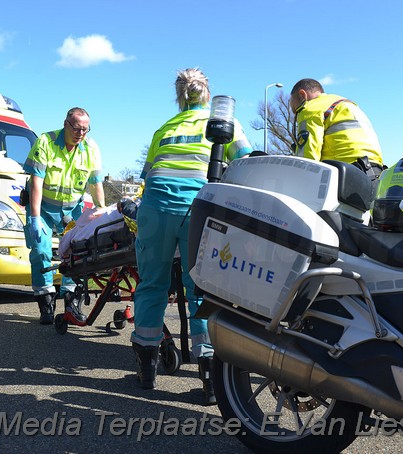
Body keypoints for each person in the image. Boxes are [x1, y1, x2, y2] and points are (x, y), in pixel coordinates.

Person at [131, 68, 252, 404]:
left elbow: (148, 175)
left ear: (179, 95)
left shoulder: (164, 129)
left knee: (151, 284)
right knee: (201, 287)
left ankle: (146, 373)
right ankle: (211, 382)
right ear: (207, 94)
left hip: (155, 209)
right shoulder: (224, 122)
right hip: (198, 210)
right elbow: (247, 163)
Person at [23, 107, 105, 325]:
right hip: (45, 207)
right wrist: (34, 217)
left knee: (77, 253)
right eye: (77, 128)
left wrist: (103, 212)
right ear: (66, 124)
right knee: (40, 251)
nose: (81, 134)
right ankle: (46, 302)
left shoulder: (91, 148)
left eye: (85, 130)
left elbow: (96, 185)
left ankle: (71, 300)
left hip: (72, 209)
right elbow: (36, 183)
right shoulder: (46, 142)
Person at [289, 78, 385, 180]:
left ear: (303, 94)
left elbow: (308, 158)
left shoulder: (311, 108)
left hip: (344, 173)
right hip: (376, 171)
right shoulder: (345, 103)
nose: (296, 114)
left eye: (296, 109)